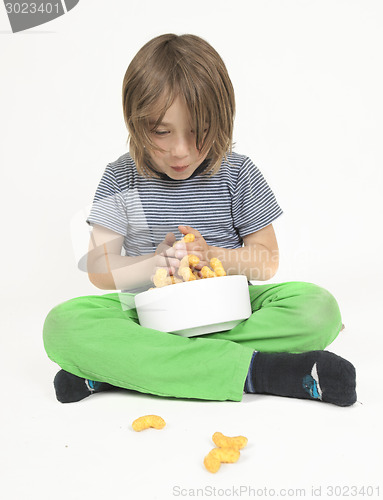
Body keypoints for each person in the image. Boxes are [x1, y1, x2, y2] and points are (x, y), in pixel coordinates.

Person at [43, 33, 356, 407]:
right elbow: (100, 269)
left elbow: (267, 260)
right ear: (135, 121)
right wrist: (155, 265)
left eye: (199, 132)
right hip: (148, 315)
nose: (181, 151)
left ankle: (124, 367)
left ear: (222, 120)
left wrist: (214, 257)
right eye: (161, 132)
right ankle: (263, 371)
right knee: (63, 323)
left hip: (232, 313)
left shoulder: (237, 173)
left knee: (317, 307)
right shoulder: (120, 177)